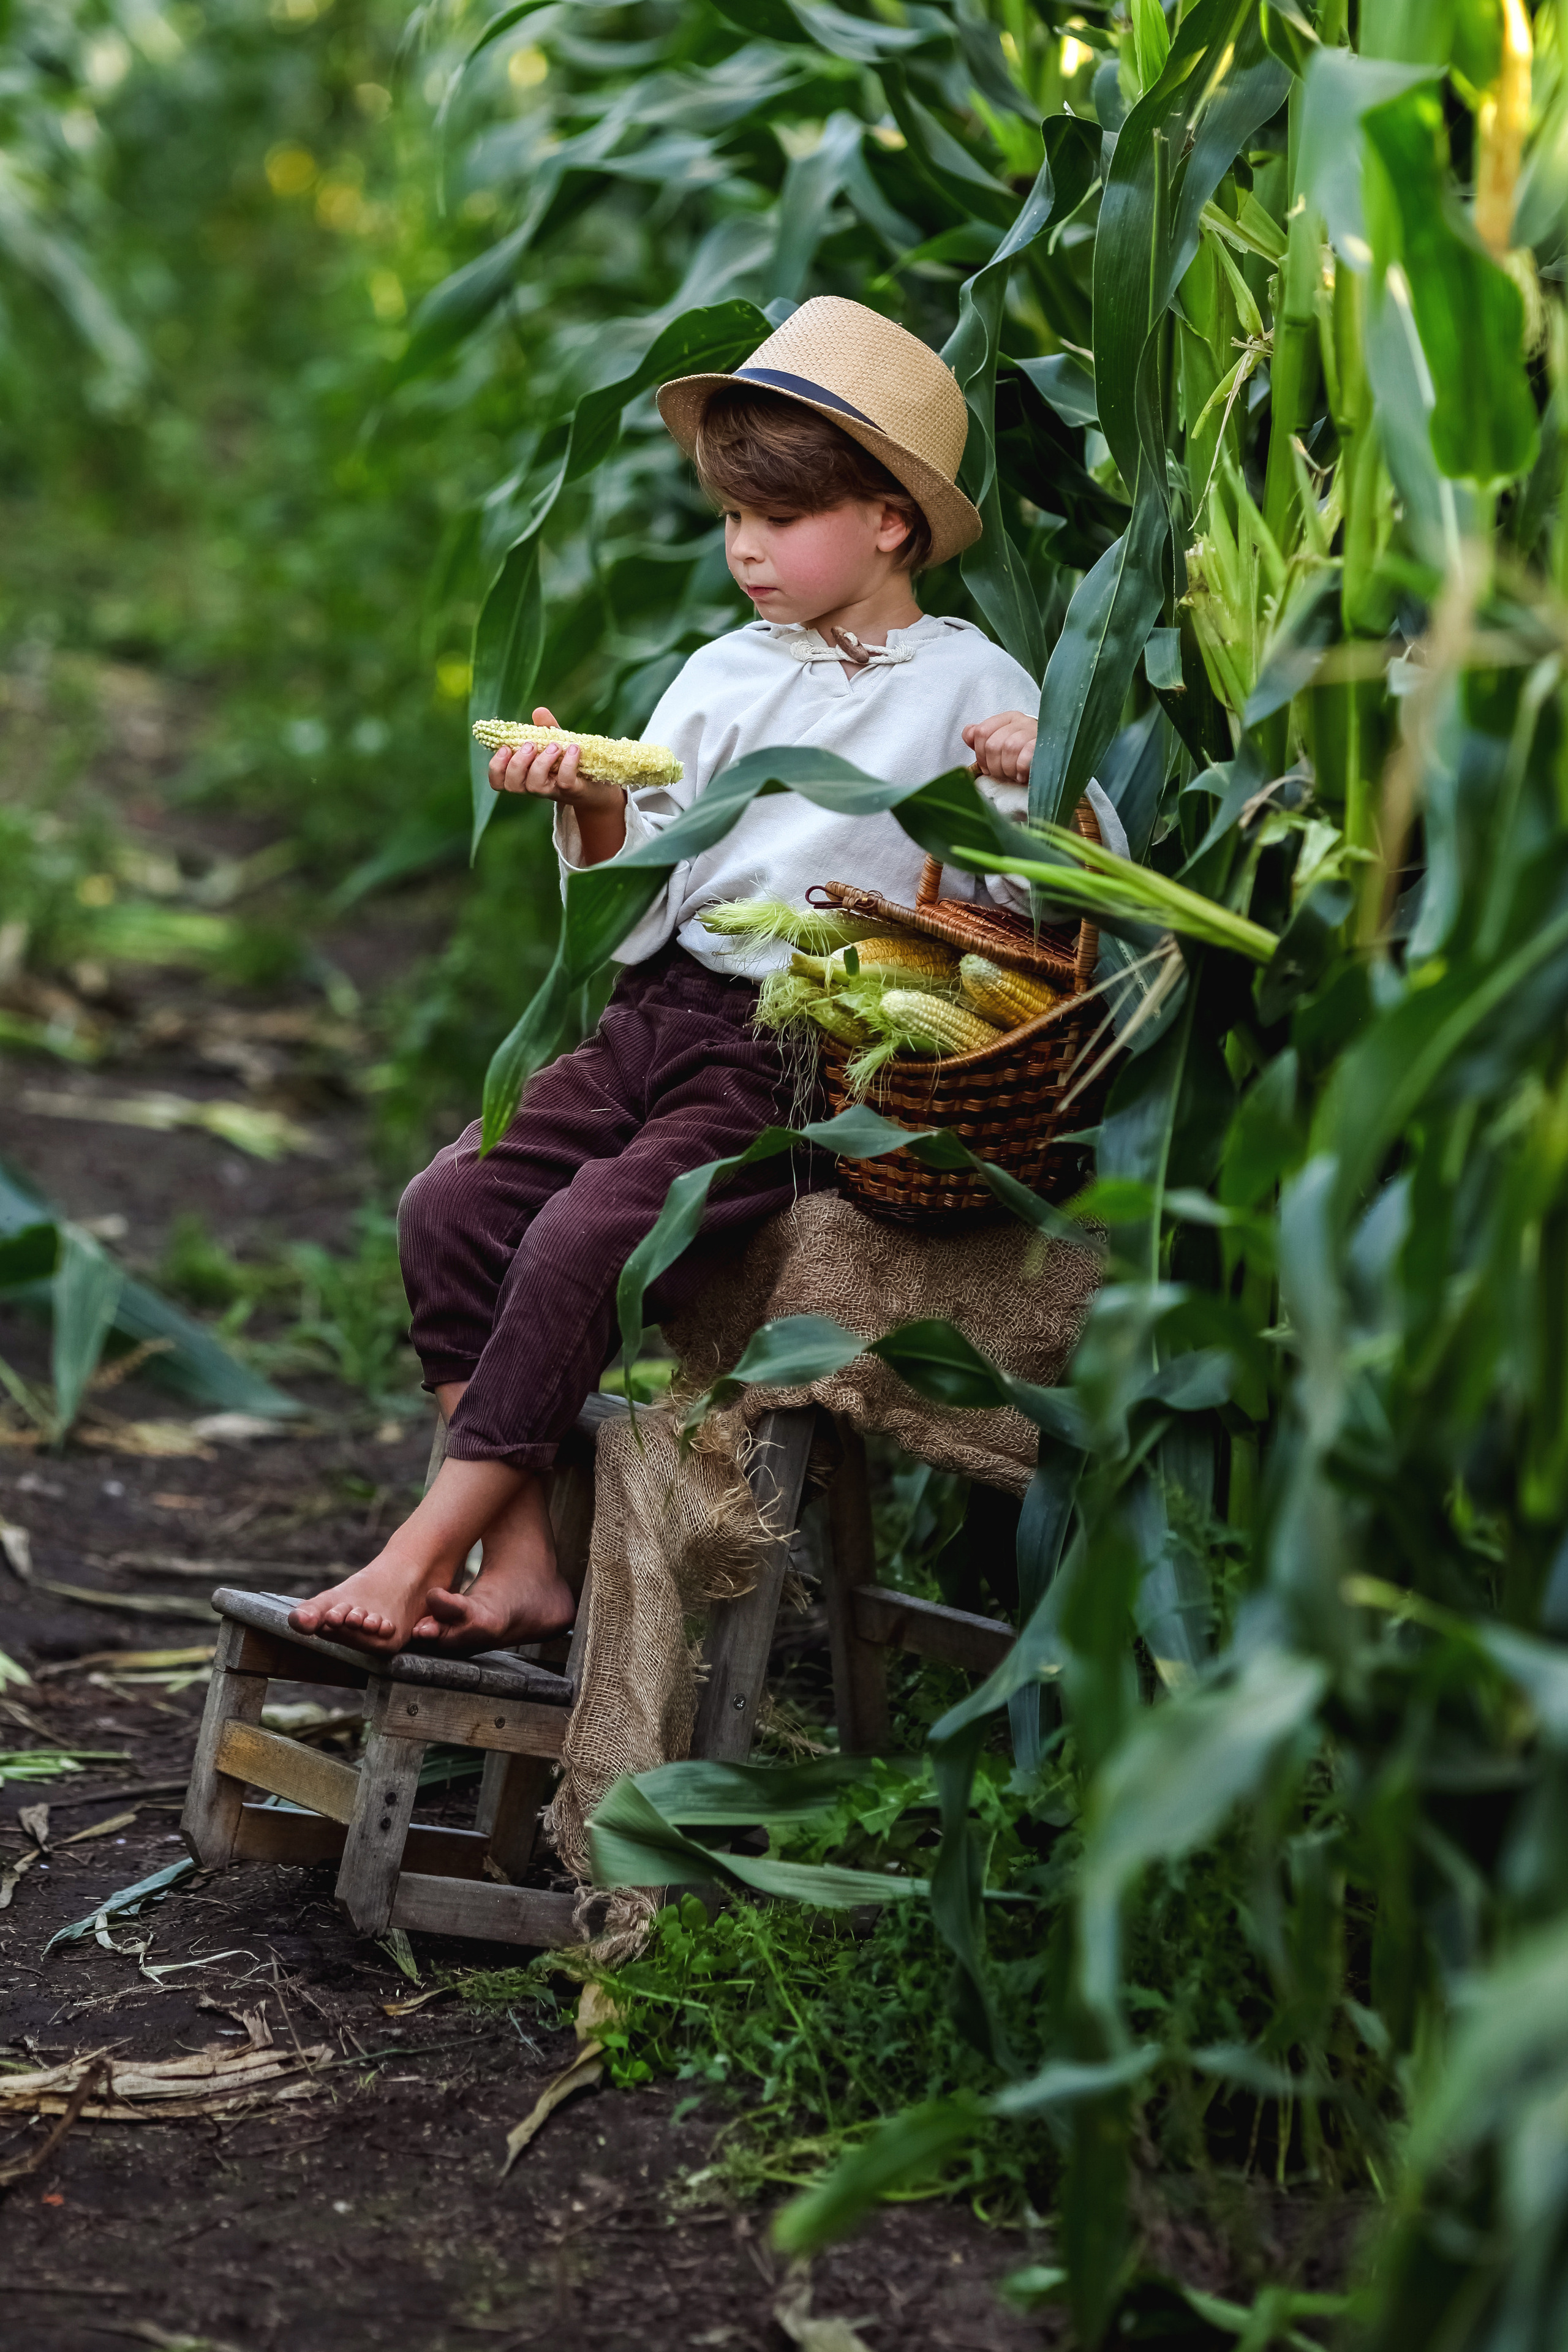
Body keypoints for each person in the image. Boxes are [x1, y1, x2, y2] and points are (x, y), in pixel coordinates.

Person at [288, 295, 1125, 1658]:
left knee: (582, 1235)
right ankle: (521, 1556)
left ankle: (419, 1546)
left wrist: (1042, 785)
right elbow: (644, 898)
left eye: (779, 519)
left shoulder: (973, 687)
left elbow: (1057, 911)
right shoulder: (722, 673)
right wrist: (590, 807)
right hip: (659, 1013)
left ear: (890, 523)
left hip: (794, 1057)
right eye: (731, 516)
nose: (744, 548)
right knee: (449, 1205)